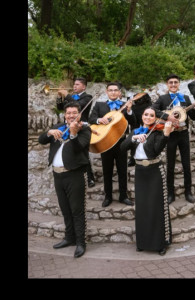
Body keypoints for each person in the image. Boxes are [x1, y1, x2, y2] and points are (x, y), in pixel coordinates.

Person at [38, 102, 91, 258]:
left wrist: (73, 134)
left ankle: (81, 242)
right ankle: (69, 238)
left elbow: (78, 148)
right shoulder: (59, 127)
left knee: (77, 210)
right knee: (65, 209)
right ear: (65, 115)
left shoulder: (85, 130)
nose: (71, 115)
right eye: (68, 113)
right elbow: (42, 140)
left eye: (74, 113)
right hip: (57, 175)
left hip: (75, 174)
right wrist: (49, 132)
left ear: (79, 114)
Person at [120, 107, 173, 255]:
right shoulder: (135, 131)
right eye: (145, 114)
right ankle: (142, 242)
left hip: (154, 170)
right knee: (142, 208)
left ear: (155, 118)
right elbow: (122, 148)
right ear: (142, 116)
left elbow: (156, 151)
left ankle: (161, 243)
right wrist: (133, 138)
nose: (148, 117)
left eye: (151, 115)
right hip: (140, 172)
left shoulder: (157, 132)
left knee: (157, 207)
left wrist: (166, 135)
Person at [152, 74, 195, 204]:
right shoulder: (163, 98)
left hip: (184, 133)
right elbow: (152, 110)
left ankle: (188, 192)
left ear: (179, 84)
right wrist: (167, 117)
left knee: (186, 164)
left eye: (175, 82)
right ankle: (170, 193)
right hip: (171, 134)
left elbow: (194, 117)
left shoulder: (185, 98)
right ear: (167, 85)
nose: (173, 84)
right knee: (171, 165)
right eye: (171, 82)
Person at [89, 82, 136, 207]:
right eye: (111, 90)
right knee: (107, 171)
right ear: (107, 92)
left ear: (120, 92)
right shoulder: (99, 105)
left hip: (122, 142)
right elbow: (91, 119)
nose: (113, 92)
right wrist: (99, 120)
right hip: (106, 142)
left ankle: (123, 196)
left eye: (116, 90)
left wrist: (130, 111)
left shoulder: (125, 105)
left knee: (122, 170)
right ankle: (108, 197)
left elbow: (134, 122)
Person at [56, 77, 96, 187]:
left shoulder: (87, 97)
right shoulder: (72, 97)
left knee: (83, 153)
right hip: (68, 126)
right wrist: (60, 96)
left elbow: (78, 106)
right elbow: (60, 107)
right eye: (74, 84)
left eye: (77, 84)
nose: (74, 86)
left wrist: (66, 95)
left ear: (84, 86)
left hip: (81, 127)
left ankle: (89, 178)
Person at [128, 92, 152, 167]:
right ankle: (133, 158)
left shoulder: (146, 103)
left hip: (141, 120)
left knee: (144, 139)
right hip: (137, 120)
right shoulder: (148, 102)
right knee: (138, 138)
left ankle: (133, 158)